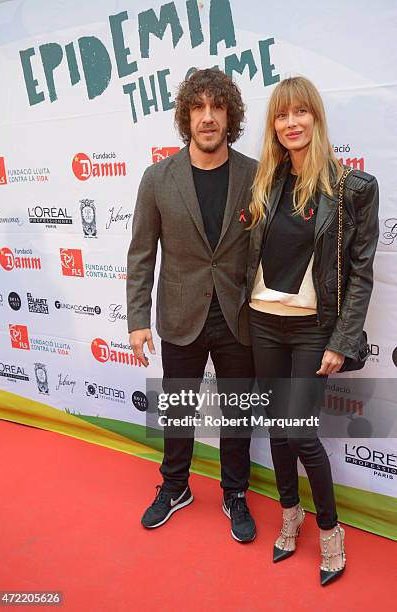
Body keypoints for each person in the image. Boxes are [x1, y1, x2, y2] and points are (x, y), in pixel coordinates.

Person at [247, 76, 379, 585]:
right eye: (281, 115)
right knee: (278, 432)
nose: (290, 123)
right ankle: (289, 514)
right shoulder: (267, 181)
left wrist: (342, 341)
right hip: (263, 322)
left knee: (298, 431)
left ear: (316, 118)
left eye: (300, 112)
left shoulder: (352, 188)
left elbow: (360, 273)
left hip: (311, 331)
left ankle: (330, 530)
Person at [127, 68, 258, 542]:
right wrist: (137, 319)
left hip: (238, 316)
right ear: (186, 116)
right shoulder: (157, 178)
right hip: (179, 316)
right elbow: (141, 252)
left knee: (237, 411)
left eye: (217, 107)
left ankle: (235, 492)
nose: (208, 117)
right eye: (198, 107)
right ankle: (175, 486)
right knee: (178, 408)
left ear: (230, 115)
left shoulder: (254, 174)